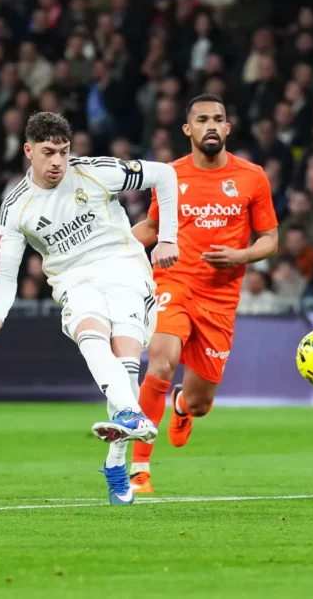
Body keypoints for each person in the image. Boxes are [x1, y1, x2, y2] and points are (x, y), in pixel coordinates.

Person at [0, 111, 180, 506]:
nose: (57, 162)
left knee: (125, 360)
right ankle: (133, 418)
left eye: (64, 152)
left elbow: (166, 176)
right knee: (91, 331)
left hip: (124, 266)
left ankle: (118, 455)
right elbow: (7, 271)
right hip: (73, 280)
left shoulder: (95, 171)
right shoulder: (16, 207)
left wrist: (167, 238)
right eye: (48, 152)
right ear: (28, 151)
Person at [128, 95, 278, 494]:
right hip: (173, 283)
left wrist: (241, 255)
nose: (211, 125)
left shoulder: (252, 177)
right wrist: (112, 248)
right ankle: (139, 467)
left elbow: (270, 239)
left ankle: (180, 404)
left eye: (218, 119)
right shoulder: (170, 175)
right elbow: (153, 225)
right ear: (187, 130)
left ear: (227, 129)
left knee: (200, 404)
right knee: (160, 360)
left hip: (220, 299)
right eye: (202, 120)